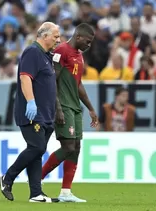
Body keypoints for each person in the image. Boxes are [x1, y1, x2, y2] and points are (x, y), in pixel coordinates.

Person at [0, 22, 61, 203]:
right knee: (37, 147)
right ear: (44, 36)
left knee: (37, 152)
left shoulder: (46, 56)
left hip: (47, 113)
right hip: (34, 112)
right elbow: (25, 77)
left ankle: (36, 193)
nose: (59, 39)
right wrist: (31, 102)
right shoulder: (32, 52)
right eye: (55, 36)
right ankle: (7, 178)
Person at [41, 23, 98, 203]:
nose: (89, 45)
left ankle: (65, 192)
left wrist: (90, 108)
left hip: (75, 107)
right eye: (87, 42)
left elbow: (78, 84)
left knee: (76, 148)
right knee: (68, 147)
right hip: (63, 106)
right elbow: (53, 81)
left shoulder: (79, 56)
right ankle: (36, 179)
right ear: (78, 37)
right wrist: (57, 107)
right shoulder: (61, 51)